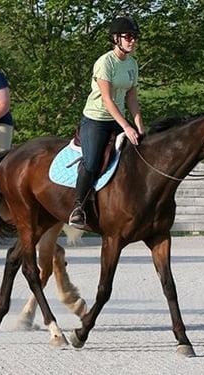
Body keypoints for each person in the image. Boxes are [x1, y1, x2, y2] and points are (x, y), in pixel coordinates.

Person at [68, 16, 145, 229]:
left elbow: (131, 99)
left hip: (118, 119)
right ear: (115, 38)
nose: (132, 41)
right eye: (128, 37)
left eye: (135, 37)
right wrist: (127, 127)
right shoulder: (105, 62)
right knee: (92, 161)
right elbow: (108, 100)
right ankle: (78, 207)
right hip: (97, 119)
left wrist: (139, 125)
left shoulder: (132, 64)